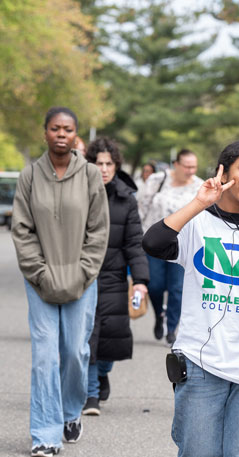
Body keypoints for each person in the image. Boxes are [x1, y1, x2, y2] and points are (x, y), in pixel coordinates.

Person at [142, 141, 239, 457]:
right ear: (224, 171)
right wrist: (200, 202)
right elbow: (153, 243)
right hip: (201, 362)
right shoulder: (198, 223)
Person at [11, 107, 109, 457]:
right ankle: (45, 434)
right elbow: (21, 229)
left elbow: (99, 228)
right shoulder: (29, 176)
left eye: (68, 129)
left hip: (81, 278)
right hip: (40, 279)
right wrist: (38, 271)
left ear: (76, 134)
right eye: (55, 128)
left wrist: (84, 270)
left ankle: (70, 411)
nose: (61, 134)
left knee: (74, 352)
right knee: (43, 357)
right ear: (46, 133)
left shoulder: (91, 175)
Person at [82, 137, 149, 416]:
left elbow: (134, 242)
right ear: (90, 165)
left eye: (109, 163)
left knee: (110, 336)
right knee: (87, 337)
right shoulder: (78, 193)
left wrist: (142, 281)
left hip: (114, 276)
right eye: (99, 163)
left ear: (116, 165)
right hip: (83, 275)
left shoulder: (126, 198)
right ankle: (91, 396)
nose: (104, 169)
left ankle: (102, 373)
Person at [138, 149, 203, 345]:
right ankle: (159, 315)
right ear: (176, 164)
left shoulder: (199, 186)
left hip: (183, 244)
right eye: (187, 166)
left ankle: (172, 328)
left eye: (194, 167)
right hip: (155, 242)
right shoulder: (157, 180)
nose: (191, 171)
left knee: (177, 289)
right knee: (155, 285)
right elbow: (142, 206)